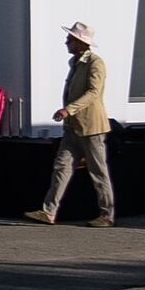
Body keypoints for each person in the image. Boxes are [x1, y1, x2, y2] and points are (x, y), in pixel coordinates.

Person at [26, 20, 116, 224]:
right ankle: (49, 211)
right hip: (73, 128)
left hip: (91, 127)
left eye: (70, 40)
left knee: (98, 172)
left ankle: (106, 215)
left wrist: (69, 109)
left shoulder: (95, 62)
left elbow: (93, 93)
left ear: (79, 42)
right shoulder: (75, 63)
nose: (66, 42)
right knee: (61, 168)